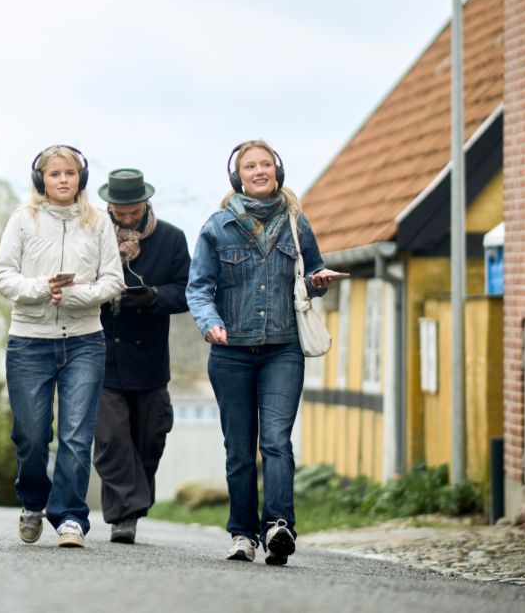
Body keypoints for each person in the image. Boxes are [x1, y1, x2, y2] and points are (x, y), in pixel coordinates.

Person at [186, 139, 346, 566]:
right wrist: (210, 322)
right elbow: (198, 288)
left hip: (283, 350)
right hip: (231, 351)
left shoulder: (297, 223)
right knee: (240, 448)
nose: (260, 171)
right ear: (237, 176)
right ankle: (242, 534)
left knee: (276, 441)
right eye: (250, 166)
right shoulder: (217, 227)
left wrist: (318, 279)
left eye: (266, 165)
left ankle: (278, 526)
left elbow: (311, 270)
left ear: (277, 171)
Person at [0, 145, 124, 548]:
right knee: (31, 436)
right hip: (29, 342)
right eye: (54, 174)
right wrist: (40, 289)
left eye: (69, 173)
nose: (63, 180)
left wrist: (76, 295)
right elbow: (1, 276)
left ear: (80, 178)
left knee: (76, 435)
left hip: (85, 341)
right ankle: (33, 501)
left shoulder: (98, 222)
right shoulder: (23, 220)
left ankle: (70, 517)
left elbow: (113, 281)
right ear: (41, 180)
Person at [93, 168, 190, 545]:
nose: (128, 219)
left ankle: (133, 502)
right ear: (109, 207)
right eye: (120, 212)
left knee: (151, 438)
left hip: (149, 357)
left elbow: (185, 291)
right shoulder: (93, 235)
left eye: (134, 211)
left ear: (146, 203)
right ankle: (124, 515)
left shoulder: (171, 238)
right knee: (112, 438)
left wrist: (152, 297)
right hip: (101, 353)